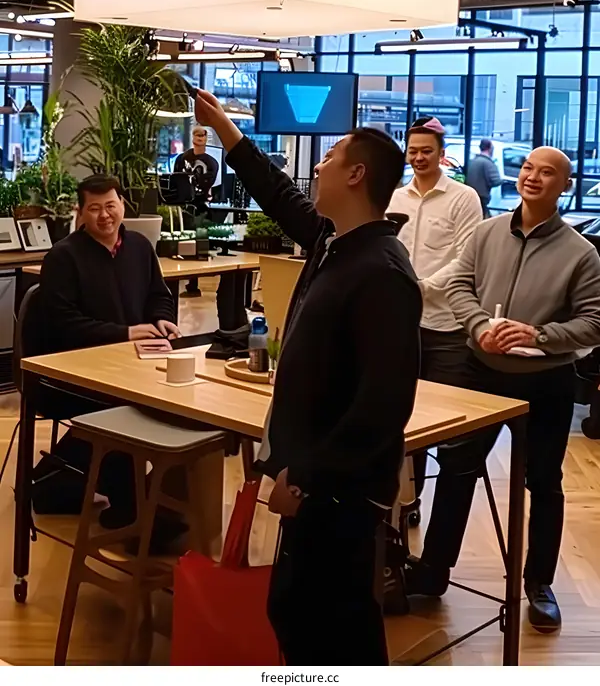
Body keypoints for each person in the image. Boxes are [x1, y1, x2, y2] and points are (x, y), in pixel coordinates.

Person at [194, 87, 421, 667]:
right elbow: (277, 194)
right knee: (301, 612)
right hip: (318, 473)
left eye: (330, 158)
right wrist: (226, 131)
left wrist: (308, 477)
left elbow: (381, 405)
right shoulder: (334, 240)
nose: (317, 167)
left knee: (330, 621)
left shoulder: (382, 274)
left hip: (338, 485)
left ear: (357, 175)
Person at [409, 147, 600, 633]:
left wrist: (539, 335)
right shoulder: (487, 232)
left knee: (545, 482)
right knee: (456, 469)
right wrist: (476, 326)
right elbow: (460, 288)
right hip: (480, 371)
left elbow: (594, 322)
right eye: (528, 168)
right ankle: (433, 572)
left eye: (548, 172)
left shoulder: (581, 253)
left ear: (565, 186)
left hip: (546, 380)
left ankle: (539, 582)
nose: (533, 177)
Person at [38, 175, 180, 528]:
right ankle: (131, 513)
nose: (105, 215)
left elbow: (159, 295)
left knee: (183, 402)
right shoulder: (63, 256)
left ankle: (164, 501)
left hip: (134, 365)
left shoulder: (139, 247)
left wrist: (162, 320)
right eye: (95, 208)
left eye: (111, 206)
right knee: (125, 408)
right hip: (74, 373)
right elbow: (63, 325)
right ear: (80, 212)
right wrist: (126, 333)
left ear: (123, 206)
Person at [388, 117, 482, 495]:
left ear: (443, 156)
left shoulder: (464, 198)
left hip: (447, 327)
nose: (419, 158)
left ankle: (446, 507)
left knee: (447, 424)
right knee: (403, 418)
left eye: (427, 151)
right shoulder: (395, 197)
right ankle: (409, 502)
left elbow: (466, 257)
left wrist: (423, 287)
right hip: (401, 325)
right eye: (413, 151)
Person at [174, 126, 220, 295]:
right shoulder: (182, 159)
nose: (200, 137)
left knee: (199, 244)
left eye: (203, 134)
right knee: (183, 242)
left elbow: (207, 183)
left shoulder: (211, 163)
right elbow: (176, 179)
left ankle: (194, 283)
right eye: (197, 134)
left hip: (201, 206)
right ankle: (185, 278)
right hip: (184, 206)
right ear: (192, 136)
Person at [467, 138, 501, 216]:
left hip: (471, 197)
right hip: (482, 198)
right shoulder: (488, 163)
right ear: (490, 148)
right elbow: (496, 181)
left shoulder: (472, 161)